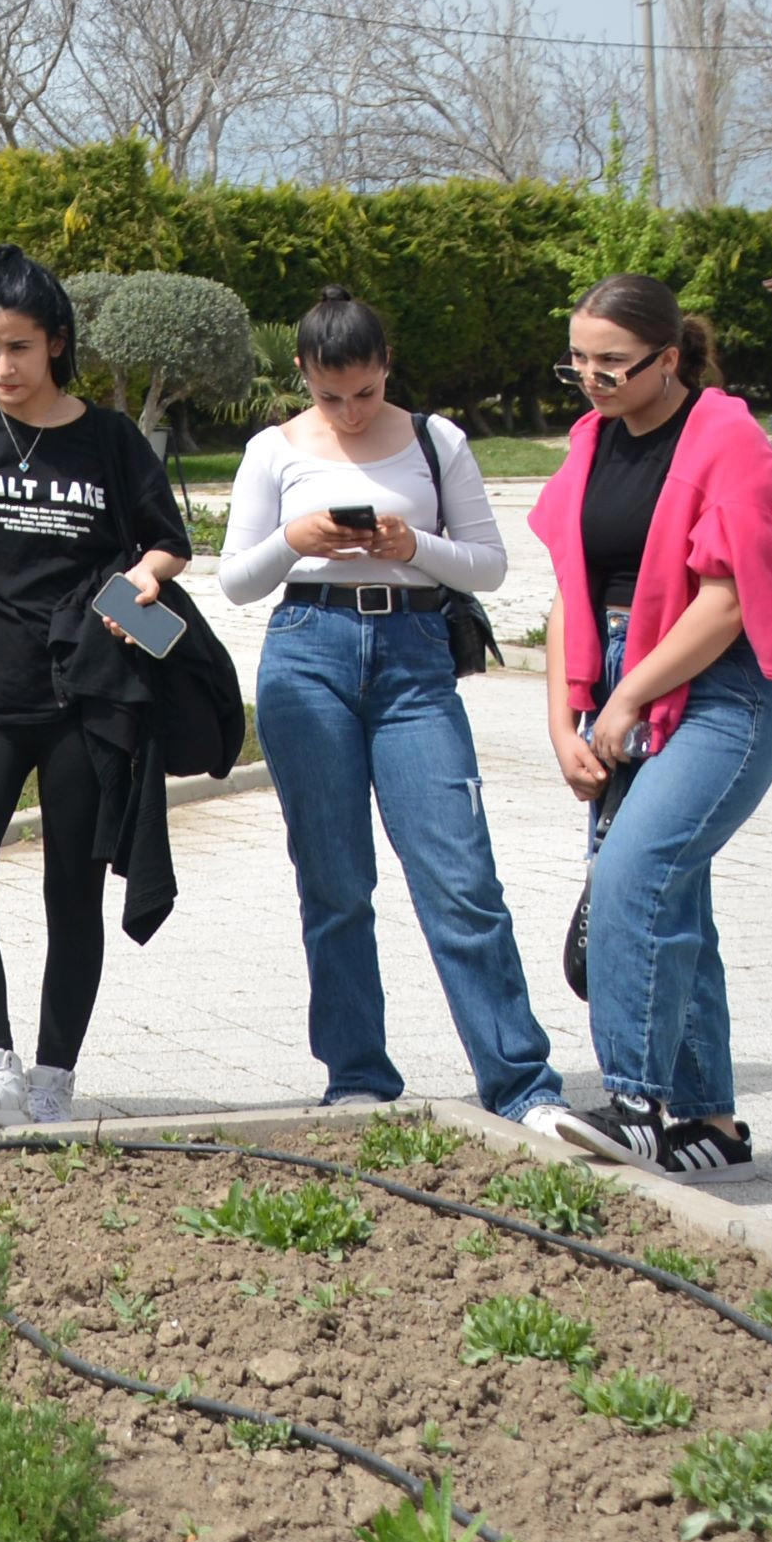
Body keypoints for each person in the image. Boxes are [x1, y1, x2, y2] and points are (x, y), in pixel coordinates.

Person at [216, 287, 559, 1125]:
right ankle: (357, 1075)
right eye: (329, 394)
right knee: (334, 882)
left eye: (366, 391)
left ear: (387, 366)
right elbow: (235, 581)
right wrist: (295, 539)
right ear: (302, 373)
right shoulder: (272, 450)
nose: (351, 410)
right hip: (308, 649)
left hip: (413, 655)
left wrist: (413, 545)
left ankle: (522, 1083)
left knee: (460, 876)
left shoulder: (438, 439)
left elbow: (489, 564)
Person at [520, 271, 772, 1177]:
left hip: (719, 690)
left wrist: (627, 699)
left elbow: (727, 601)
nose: (592, 377)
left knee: (634, 873)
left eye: (612, 362)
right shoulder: (590, 440)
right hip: (621, 679)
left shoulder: (728, 441)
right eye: (578, 360)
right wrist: (565, 721)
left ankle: (634, 1103)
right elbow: (571, 588)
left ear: (670, 357)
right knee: (675, 896)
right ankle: (711, 1124)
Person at [0, 246, 191, 1134]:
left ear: (56, 341)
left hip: (83, 697)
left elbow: (169, 540)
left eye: (19, 347)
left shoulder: (110, 438)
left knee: (73, 892)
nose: (2, 367)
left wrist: (143, 577)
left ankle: (53, 1078)